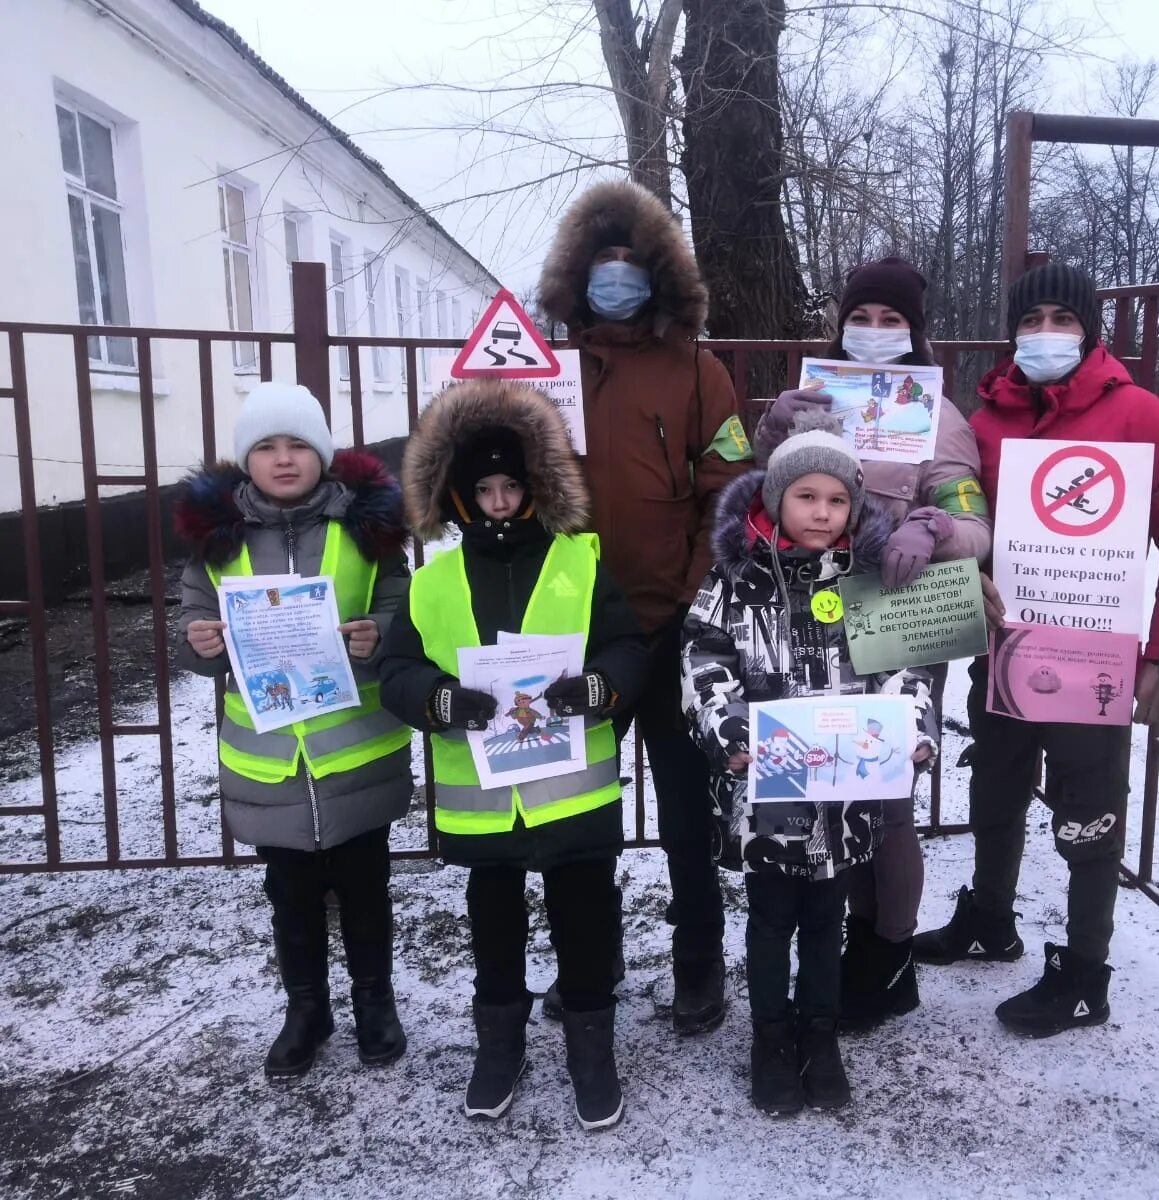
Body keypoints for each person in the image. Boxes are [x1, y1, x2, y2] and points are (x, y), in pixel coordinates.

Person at [914, 262, 1159, 1037]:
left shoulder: (1141, 415)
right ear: (1012, 330)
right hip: (1005, 648)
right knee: (996, 791)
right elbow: (962, 526)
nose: (1047, 331)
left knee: (1089, 817)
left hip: (1099, 665)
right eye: (1033, 317)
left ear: (1090, 330)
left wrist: (1157, 653)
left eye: (1063, 317)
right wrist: (968, 575)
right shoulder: (983, 423)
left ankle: (1085, 976)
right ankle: (989, 918)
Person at [377, 379, 649, 1129]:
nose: (499, 500)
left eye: (511, 485)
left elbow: (629, 647)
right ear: (461, 499)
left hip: (573, 789)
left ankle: (591, 1047)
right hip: (482, 796)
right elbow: (396, 673)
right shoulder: (431, 584)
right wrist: (436, 701)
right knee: (492, 920)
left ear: (535, 488)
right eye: (484, 489)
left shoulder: (578, 563)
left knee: (583, 919)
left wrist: (600, 687)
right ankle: (500, 1044)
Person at [536, 180, 754, 1032]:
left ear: (658, 276)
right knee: (573, 806)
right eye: (603, 266)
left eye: (631, 266)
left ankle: (699, 959)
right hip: (570, 632)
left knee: (684, 810)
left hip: (670, 624)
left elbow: (727, 494)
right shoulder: (547, 372)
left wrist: (694, 597)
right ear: (578, 278)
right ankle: (589, 959)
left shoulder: (699, 371)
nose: (616, 281)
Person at [754, 256, 992, 1031]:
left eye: (894, 320)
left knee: (885, 795)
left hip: (898, 620)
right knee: (828, 786)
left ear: (914, 330)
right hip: (810, 625)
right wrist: (773, 425)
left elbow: (977, 525)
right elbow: (771, 490)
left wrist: (934, 525)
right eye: (865, 317)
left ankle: (887, 953)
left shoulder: (940, 415)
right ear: (842, 324)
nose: (878, 331)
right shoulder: (812, 402)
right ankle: (835, 939)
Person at [681, 411, 939, 1115]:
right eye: (806, 497)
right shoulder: (735, 581)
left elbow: (904, 669)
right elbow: (703, 658)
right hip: (768, 796)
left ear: (852, 505)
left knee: (828, 921)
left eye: (835, 500)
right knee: (770, 921)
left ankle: (819, 1036)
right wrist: (730, 732)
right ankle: (771, 1039)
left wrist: (912, 730)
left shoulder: (871, 579)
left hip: (848, 797)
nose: (821, 513)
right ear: (775, 499)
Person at [174, 381, 413, 1078]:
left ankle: (375, 1001)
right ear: (247, 460)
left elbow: (403, 609)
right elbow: (187, 625)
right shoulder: (216, 541)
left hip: (354, 751)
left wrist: (382, 635)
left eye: (298, 445)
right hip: (269, 760)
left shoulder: (365, 531)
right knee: (291, 898)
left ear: (322, 453)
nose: (283, 460)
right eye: (267, 447)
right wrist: (200, 642)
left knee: (368, 888)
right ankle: (306, 1008)